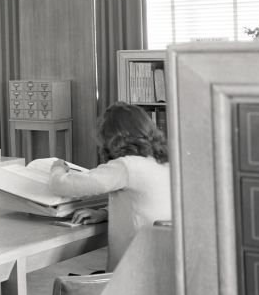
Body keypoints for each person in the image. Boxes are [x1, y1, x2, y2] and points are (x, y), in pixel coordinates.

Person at [47, 101, 172, 271]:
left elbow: (62, 185)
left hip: (132, 275)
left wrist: (57, 168)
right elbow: (142, 203)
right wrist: (104, 213)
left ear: (112, 138)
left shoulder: (126, 166)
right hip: (160, 269)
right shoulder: (162, 162)